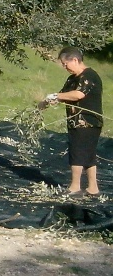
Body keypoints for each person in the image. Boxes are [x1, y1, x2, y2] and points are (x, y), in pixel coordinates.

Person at [38, 46, 103, 197]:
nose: (64, 67)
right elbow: (64, 94)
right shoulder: (72, 78)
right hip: (75, 121)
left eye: (65, 63)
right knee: (88, 155)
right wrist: (48, 101)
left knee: (78, 153)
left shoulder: (89, 76)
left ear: (74, 60)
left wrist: (57, 96)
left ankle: (74, 187)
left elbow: (78, 95)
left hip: (87, 122)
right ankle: (93, 189)